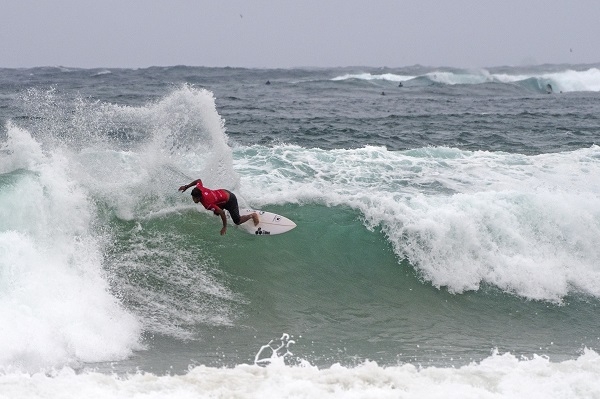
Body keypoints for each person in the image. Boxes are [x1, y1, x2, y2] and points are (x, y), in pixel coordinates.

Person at [179, 179, 259, 236]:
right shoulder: (199, 189)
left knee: (237, 221)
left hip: (230, 199)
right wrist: (187, 186)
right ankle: (232, 212)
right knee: (216, 212)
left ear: (199, 197)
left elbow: (222, 212)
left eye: (195, 198)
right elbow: (198, 180)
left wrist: (224, 226)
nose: (193, 200)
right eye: (193, 197)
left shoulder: (208, 204)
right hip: (223, 193)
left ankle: (253, 215)